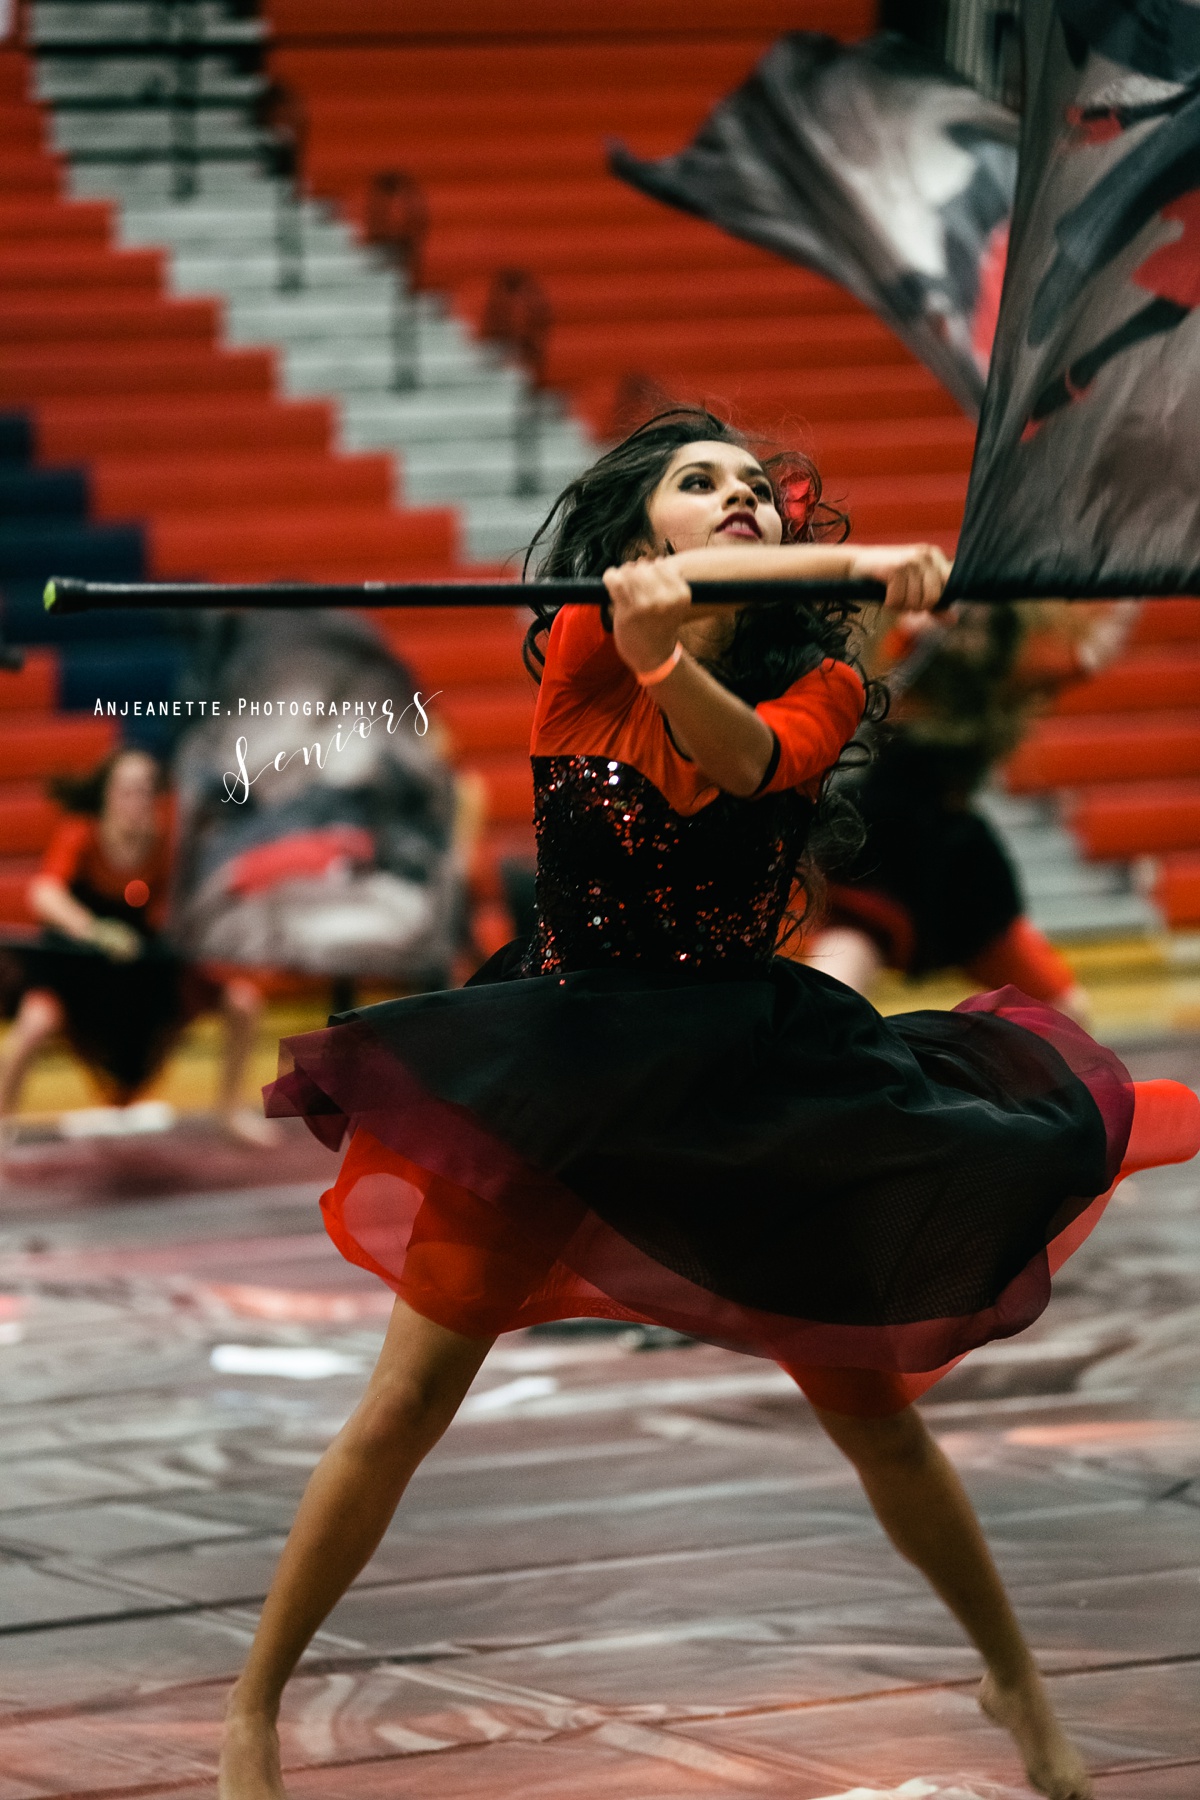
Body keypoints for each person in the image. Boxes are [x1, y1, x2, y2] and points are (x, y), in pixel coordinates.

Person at [219, 410, 1199, 1800]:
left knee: (874, 1416)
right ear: (636, 538)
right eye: (698, 485)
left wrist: (843, 585)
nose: (737, 497)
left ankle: (1015, 1679)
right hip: (561, 1065)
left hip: (752, 1074)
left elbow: (743, 765)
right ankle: (253, 1708)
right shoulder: (583, 640)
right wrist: (742, 604)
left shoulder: (827, 692)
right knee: (404, 1407)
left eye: (755, 490)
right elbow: (652, 655)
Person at [802, 598, 1138, 1021]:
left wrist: (1127, 595)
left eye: (982, 622)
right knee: (833, 995)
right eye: (958, 619)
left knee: (1067, 1016)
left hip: (956, 853)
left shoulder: (1000, 680)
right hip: (883, 840)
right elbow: (882, 672)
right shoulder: (909, 666)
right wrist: (918, 630)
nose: (965, 628)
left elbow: (1083, 658)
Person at [0, 747, 272, 1144]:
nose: (137, 800)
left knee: (244, 1002)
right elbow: (44, 893)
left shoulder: (168, 844)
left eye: (145, 790)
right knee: (36, 1020)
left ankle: (229, 1111)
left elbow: (193, 903)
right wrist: (93, 930)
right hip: (83, 973)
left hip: (145, 974)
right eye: (127, 790)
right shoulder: (82, 834)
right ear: (107, 795)